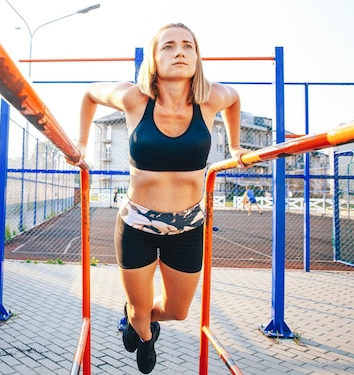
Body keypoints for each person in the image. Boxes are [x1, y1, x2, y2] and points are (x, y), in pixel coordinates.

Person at [68, 23, 249, 373]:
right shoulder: (134, 99)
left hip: (188, 226)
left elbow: (236, 99)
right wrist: (81, 144)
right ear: (153, 58)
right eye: (168, 46)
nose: (179, 52)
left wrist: (237, 144)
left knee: (179, 312)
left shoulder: (210, 99)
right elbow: (90, 93)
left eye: (187, 46)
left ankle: (139, 317)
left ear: (197, 58)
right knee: (140, 312)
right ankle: (145, 335)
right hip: (137, 224)